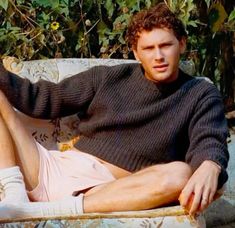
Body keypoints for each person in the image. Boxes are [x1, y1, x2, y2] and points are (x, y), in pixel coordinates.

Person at [0, 2, 229, 219]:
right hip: (51, 170)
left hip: (105, 193)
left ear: (182, 44)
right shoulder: (109, 78)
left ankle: (50, 210)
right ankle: (15, 194)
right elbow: (41, 99)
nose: (158, 56)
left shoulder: (199, 93)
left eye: (165, 45)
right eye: (148, 48)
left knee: (180, 173)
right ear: (136, 53)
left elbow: (209, 139)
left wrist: (211, 164)